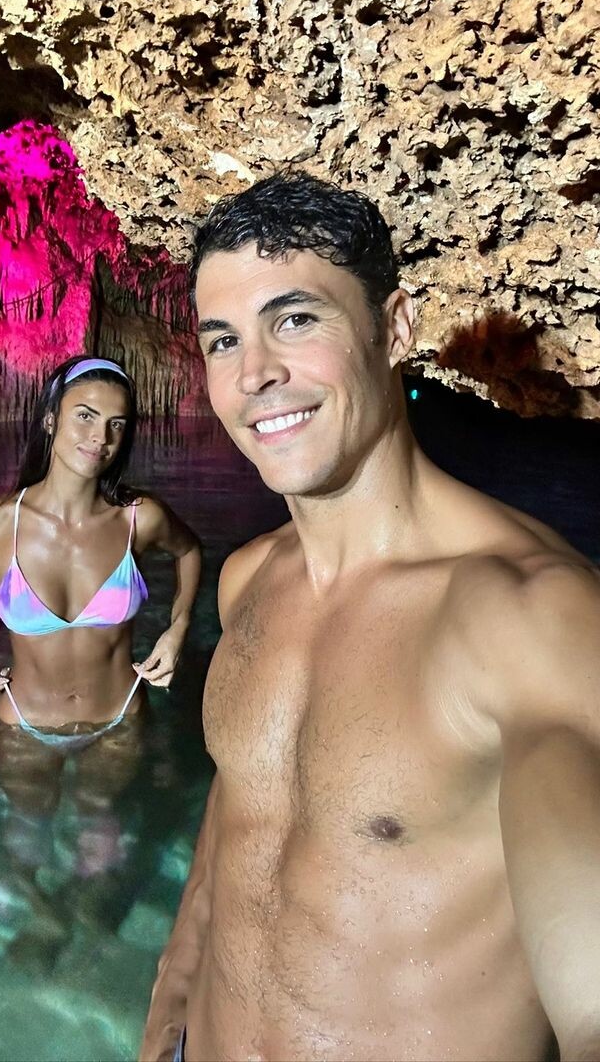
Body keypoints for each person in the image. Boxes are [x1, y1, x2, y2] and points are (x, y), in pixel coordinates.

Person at [141, 171, 600, 1062]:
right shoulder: (247, 582)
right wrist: (170, 1000)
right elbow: (243, 804)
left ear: (395, 328)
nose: (255, 373)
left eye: (295, 320)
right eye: (224, 339)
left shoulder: (527, 616)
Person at [0, 355, 201, 953]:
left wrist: (177, 628)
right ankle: (42, 911)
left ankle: (91, 911)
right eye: (85, 416)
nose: (100, 438)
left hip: (117, 717)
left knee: (101, 818)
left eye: (117, 424)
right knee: (28, 823)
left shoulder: (138, 519)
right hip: (24, 723)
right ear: (50, 419)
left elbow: (190, 551)